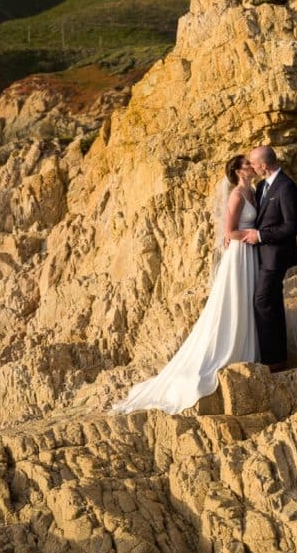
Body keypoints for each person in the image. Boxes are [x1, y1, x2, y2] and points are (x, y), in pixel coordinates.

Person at [111, 154, 259, 415]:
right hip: (239, 254)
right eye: (247, 164)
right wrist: (251, 235)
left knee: (249, 301)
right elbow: (229, 233)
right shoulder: (236, 195)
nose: (252, 166)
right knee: (235, 301)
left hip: (250, 254)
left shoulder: (253, 192)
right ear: (237, 171)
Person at [240, 145, 297, 372]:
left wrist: (260, 235)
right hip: (262, 256)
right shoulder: (260, 187)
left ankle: (271, 360)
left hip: (276, 256)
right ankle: (279, 357)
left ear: (263, 165)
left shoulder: (286, 187)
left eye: (254, 164)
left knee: (262, 301)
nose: (252, 168)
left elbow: (292, 226)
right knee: (273, 303)